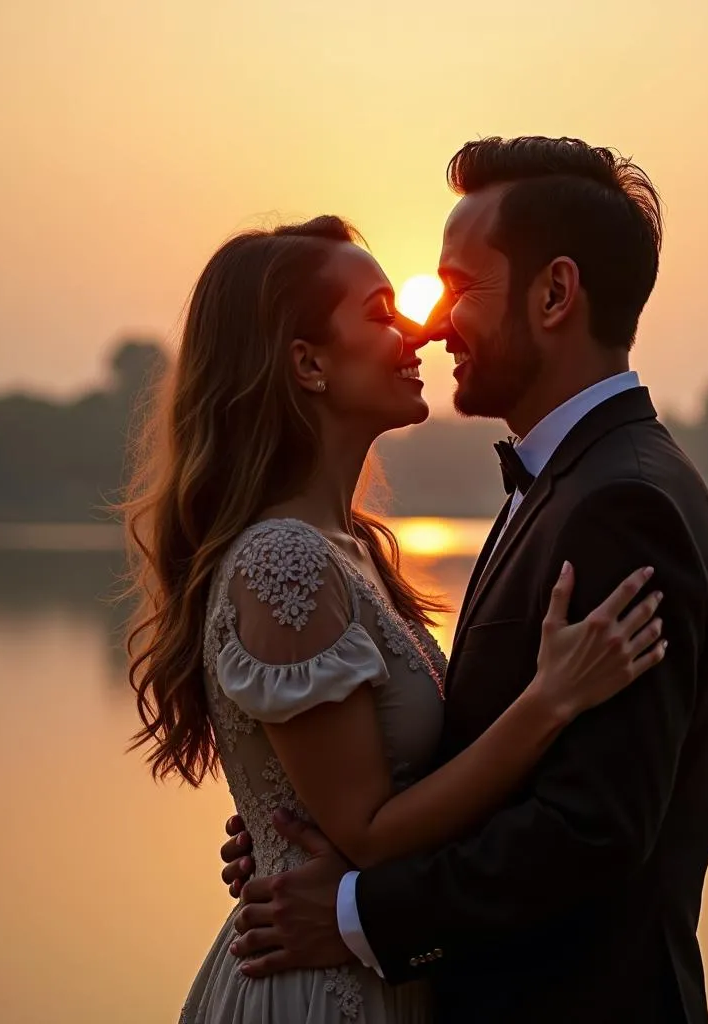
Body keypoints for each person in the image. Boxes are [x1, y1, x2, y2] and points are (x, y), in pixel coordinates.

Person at [220, 137, 708, 1023]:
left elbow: (589, 832)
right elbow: (490, 763)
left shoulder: (622, 505)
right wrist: (306, 809)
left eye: (459, 288)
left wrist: (352, 913)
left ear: (554, 294)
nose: (432, 321)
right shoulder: (571, 481)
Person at [123, 213, 667, 1024]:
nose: (417, 331)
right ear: (307, 363)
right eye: (381, 312)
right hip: (317, 989)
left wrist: (293, 834)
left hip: (370, 965)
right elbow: (373, 832)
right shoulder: (288, 560)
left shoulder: (350, 549)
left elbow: (362, 811)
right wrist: (549, 702)